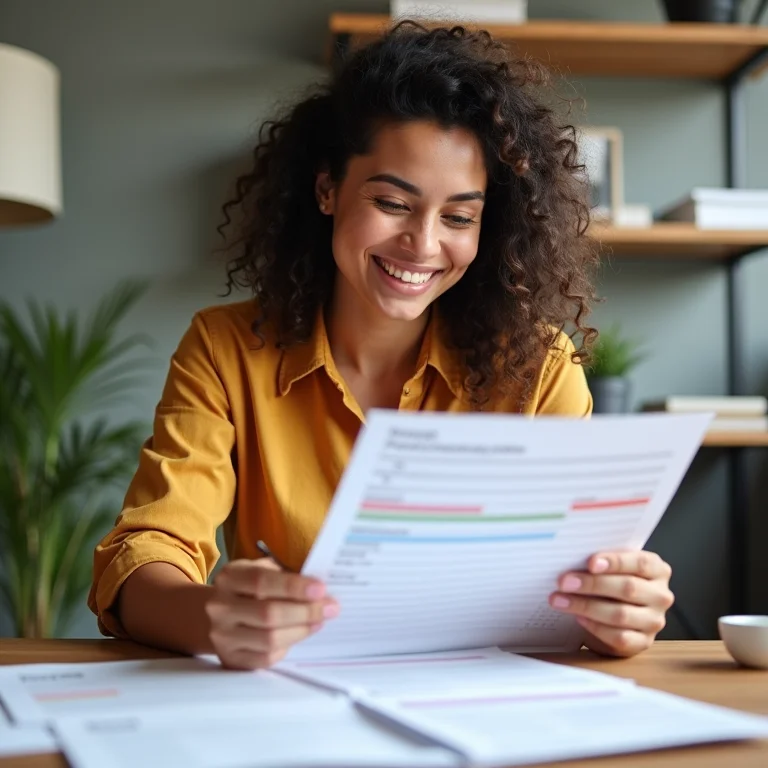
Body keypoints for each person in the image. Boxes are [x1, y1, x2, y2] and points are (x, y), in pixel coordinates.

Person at [89, 22, 674, 670]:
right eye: (393, 202)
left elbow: (577, 592)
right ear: (327, 189)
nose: (423, 245)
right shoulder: (226, 350)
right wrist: (212, 620)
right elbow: (146, 553)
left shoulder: (538, 371)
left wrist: (618, 612)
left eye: (458, 217)